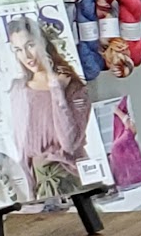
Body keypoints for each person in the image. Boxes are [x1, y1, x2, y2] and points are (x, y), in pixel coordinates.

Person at [8, 14, 92, 199]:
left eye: (30, 45)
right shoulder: (18, 90)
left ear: (44, 42)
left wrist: (57, 91)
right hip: (39, 187)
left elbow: (69, 144)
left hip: (73, 182)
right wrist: (28, 194)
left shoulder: (74, 89)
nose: (26, 56)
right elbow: (21, 149)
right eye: (18, 50)